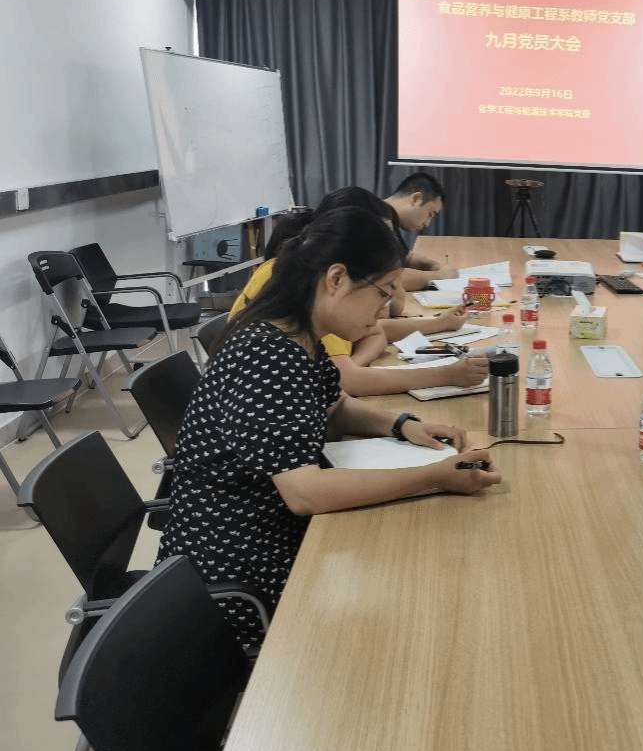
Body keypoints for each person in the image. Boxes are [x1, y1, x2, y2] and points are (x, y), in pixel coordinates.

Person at [159, 206, 501, 648]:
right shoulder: (267, 355)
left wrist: (402, 425)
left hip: (270, 535)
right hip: (237, 572)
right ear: (336, 279)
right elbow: (304, 493)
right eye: (382, 292)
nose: (383, 311)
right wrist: (432, 477)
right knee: (415, 603)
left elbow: (334, 405)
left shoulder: (300, 334)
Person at [230, 187, 488, 397]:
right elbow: (347, 380)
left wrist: (441, 323)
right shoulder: (301, 310)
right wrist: (446, 374)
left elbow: (375, 332)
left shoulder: (326, 303)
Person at [384, 170, 458, 291]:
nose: (427, 224)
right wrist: (441, 276)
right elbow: (389, 280)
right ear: (416, 199)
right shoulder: (376, 221)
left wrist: (433, 265)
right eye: (430, 214)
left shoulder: (388, 216)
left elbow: (405, 257)